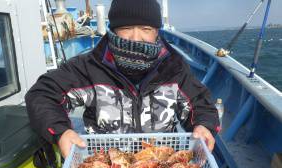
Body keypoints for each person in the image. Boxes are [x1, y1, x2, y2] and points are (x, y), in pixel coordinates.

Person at [25, 0, 220, 158]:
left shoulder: (174, 67)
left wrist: (203, 125)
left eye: (146, 28)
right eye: (126, 27)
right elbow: (42, 94)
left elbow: (200, 103)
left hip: (161, 165)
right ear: (114, 29)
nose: (135, 37)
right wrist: (61, 132)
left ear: (156, 31)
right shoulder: (89, 67)